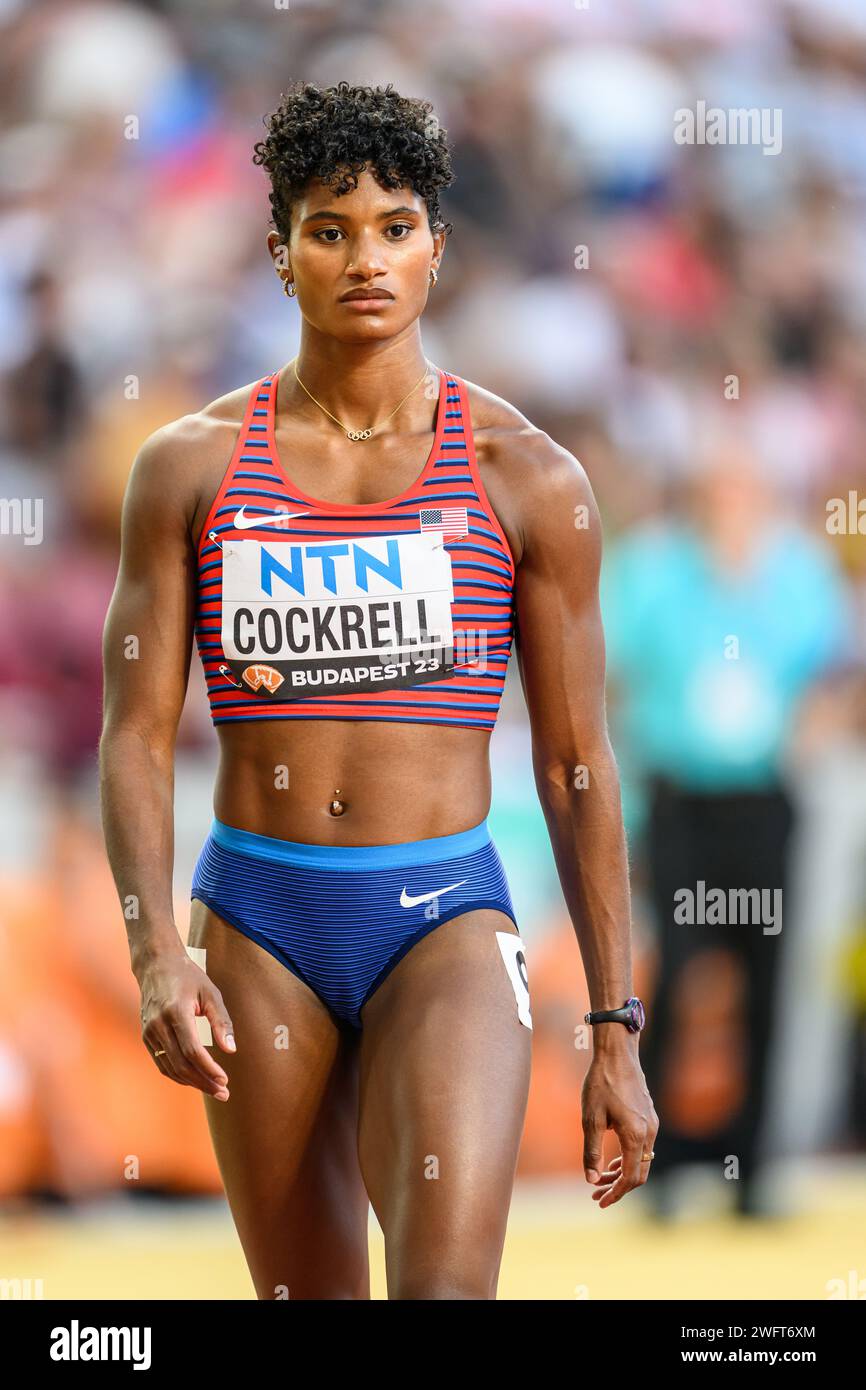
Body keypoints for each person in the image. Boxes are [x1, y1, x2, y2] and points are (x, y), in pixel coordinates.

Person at [99, 80, 656, 1301]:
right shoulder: (188, 469)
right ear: (279, 253)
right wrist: (154, 955)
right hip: (255, 919)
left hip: (442, 916)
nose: (365, 258)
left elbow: (575, 764)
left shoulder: (527, 478)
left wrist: (614, 1027)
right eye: (329, 228)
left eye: (395, 227)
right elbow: (133, 740)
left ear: (437, 250)